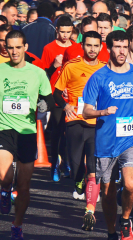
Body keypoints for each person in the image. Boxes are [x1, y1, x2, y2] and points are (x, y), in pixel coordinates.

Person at [0, 30, 55, 239]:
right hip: (3, 129)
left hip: (27, 132)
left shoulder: (38, 73)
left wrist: (43, 105)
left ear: (25, 48)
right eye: (10, 47)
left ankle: (17, 225)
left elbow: (49, 99)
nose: (13, 51)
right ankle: (4, 191)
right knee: (5, 176)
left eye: (17, 47)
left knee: (24, 185)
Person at [81, 30, 133, 240]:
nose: (122, 51)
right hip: (106, 140)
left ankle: (125, 220)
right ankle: (112, 232)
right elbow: (86, 111)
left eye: (124, 46)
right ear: (109, 48)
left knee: (131, 184)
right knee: (108, 192)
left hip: (131, 138)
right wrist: (102, 111)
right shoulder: (99, 77)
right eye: (117, 47)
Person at [53, 31, 106, 231]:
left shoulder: (105, 69)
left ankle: (89, 211)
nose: (92, 49)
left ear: (101, 47)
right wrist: (65, 105)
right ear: (83, 46)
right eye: (89, 45)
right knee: (76, 167)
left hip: (96, 124)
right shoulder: (71, 66)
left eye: (96, 46)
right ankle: (78, 180)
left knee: (93, 166)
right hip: (75, 121)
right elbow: (57, 93)